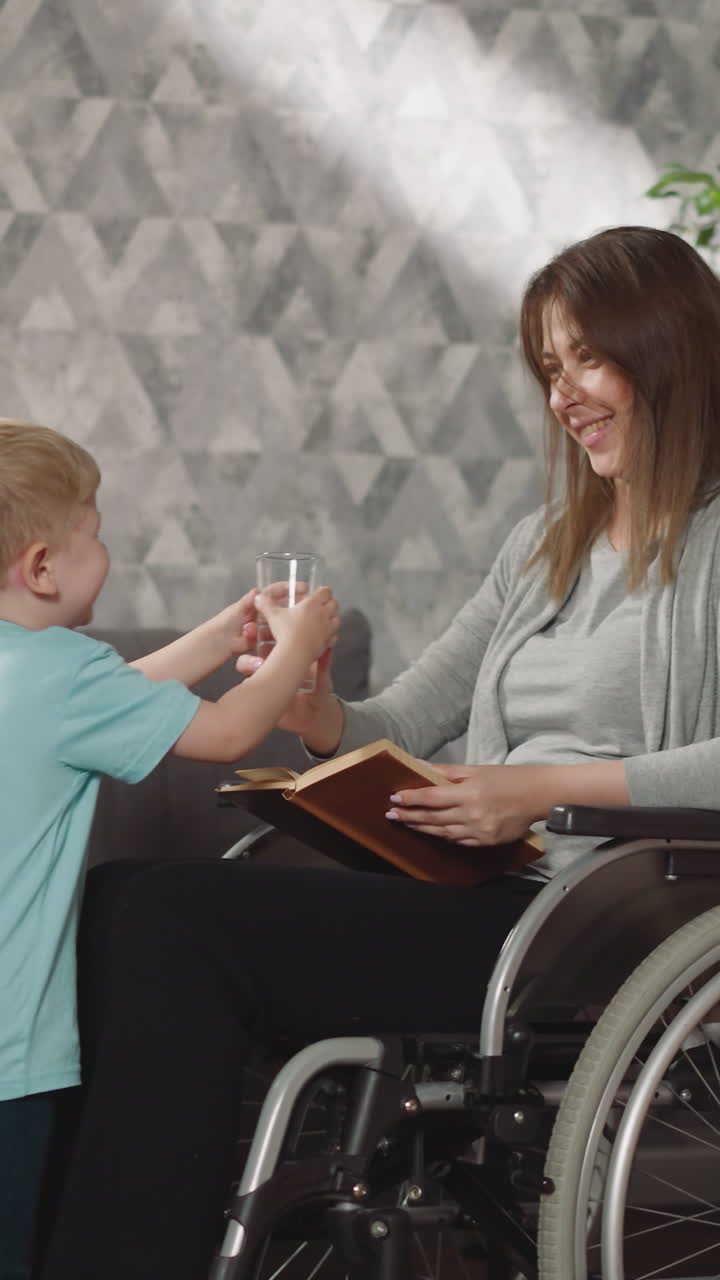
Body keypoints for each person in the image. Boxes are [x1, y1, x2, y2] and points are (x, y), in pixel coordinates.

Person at [40, 225, 720, 1280]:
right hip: (483, 884)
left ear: (667, 351)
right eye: (549, 367)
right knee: (125, 893)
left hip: (590, 921)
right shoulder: (546, 546)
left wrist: (535, 788)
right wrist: (320, 714)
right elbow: (405, 718)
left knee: (171, 915)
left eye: (587, 359)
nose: (563, 394)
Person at [0, 419, 339, 1280]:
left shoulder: (36, 674)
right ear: (42, 568)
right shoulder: (64, 671)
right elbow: (226, 734)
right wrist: (296, 648)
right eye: (94, 534)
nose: (106, 551)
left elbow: (114, 701)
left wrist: (222, 639)